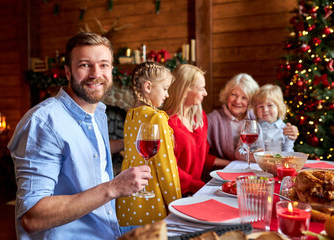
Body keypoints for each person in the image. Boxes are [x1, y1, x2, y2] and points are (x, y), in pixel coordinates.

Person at [7, 32, 151, 240]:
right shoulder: (43, 122)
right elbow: (32, 218)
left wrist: (126, 144)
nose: (95, 73)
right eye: (85, 65)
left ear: (111, 70)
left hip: (106, 229)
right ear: (67, 72)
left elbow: (85, 151)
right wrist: (113, 187)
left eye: (103, 65)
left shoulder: (97, 113)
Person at [116, 61, 182, 226]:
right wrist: (176, 203)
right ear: (148, 86)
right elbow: (166, 166)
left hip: (128, 197)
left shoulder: (130, 115)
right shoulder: (156, 117)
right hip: (153, 196)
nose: (166, 95)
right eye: (165, 88)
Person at [207, 73, 298, 168]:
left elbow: (276, 127)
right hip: (225, 169)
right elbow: (202, 155)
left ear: (251, 101)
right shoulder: (213, 119)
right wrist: (232, 164)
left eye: (244, 97)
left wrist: (292, 131)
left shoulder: (257, 116)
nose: (238, 101)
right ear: (227, 95)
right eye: (234, 95)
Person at [162, 64, 216, 196]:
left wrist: (231, 164)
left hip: (197, 191)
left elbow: (203, 154)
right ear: (185, 90)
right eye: (201, 89)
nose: (206, 93)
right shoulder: (166, 122)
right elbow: (168, 167)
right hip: (176, 194)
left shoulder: (200, 118)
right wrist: (199, 187)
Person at [235, 84, 295, 160]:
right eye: (261, 106)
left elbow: (289, 154)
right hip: (255, 167)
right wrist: (249, 156)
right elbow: (238, 152)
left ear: (279, 107)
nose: (265, 110)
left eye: (270, 105)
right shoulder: (252, 128)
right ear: (255, 110)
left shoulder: (286, 130)